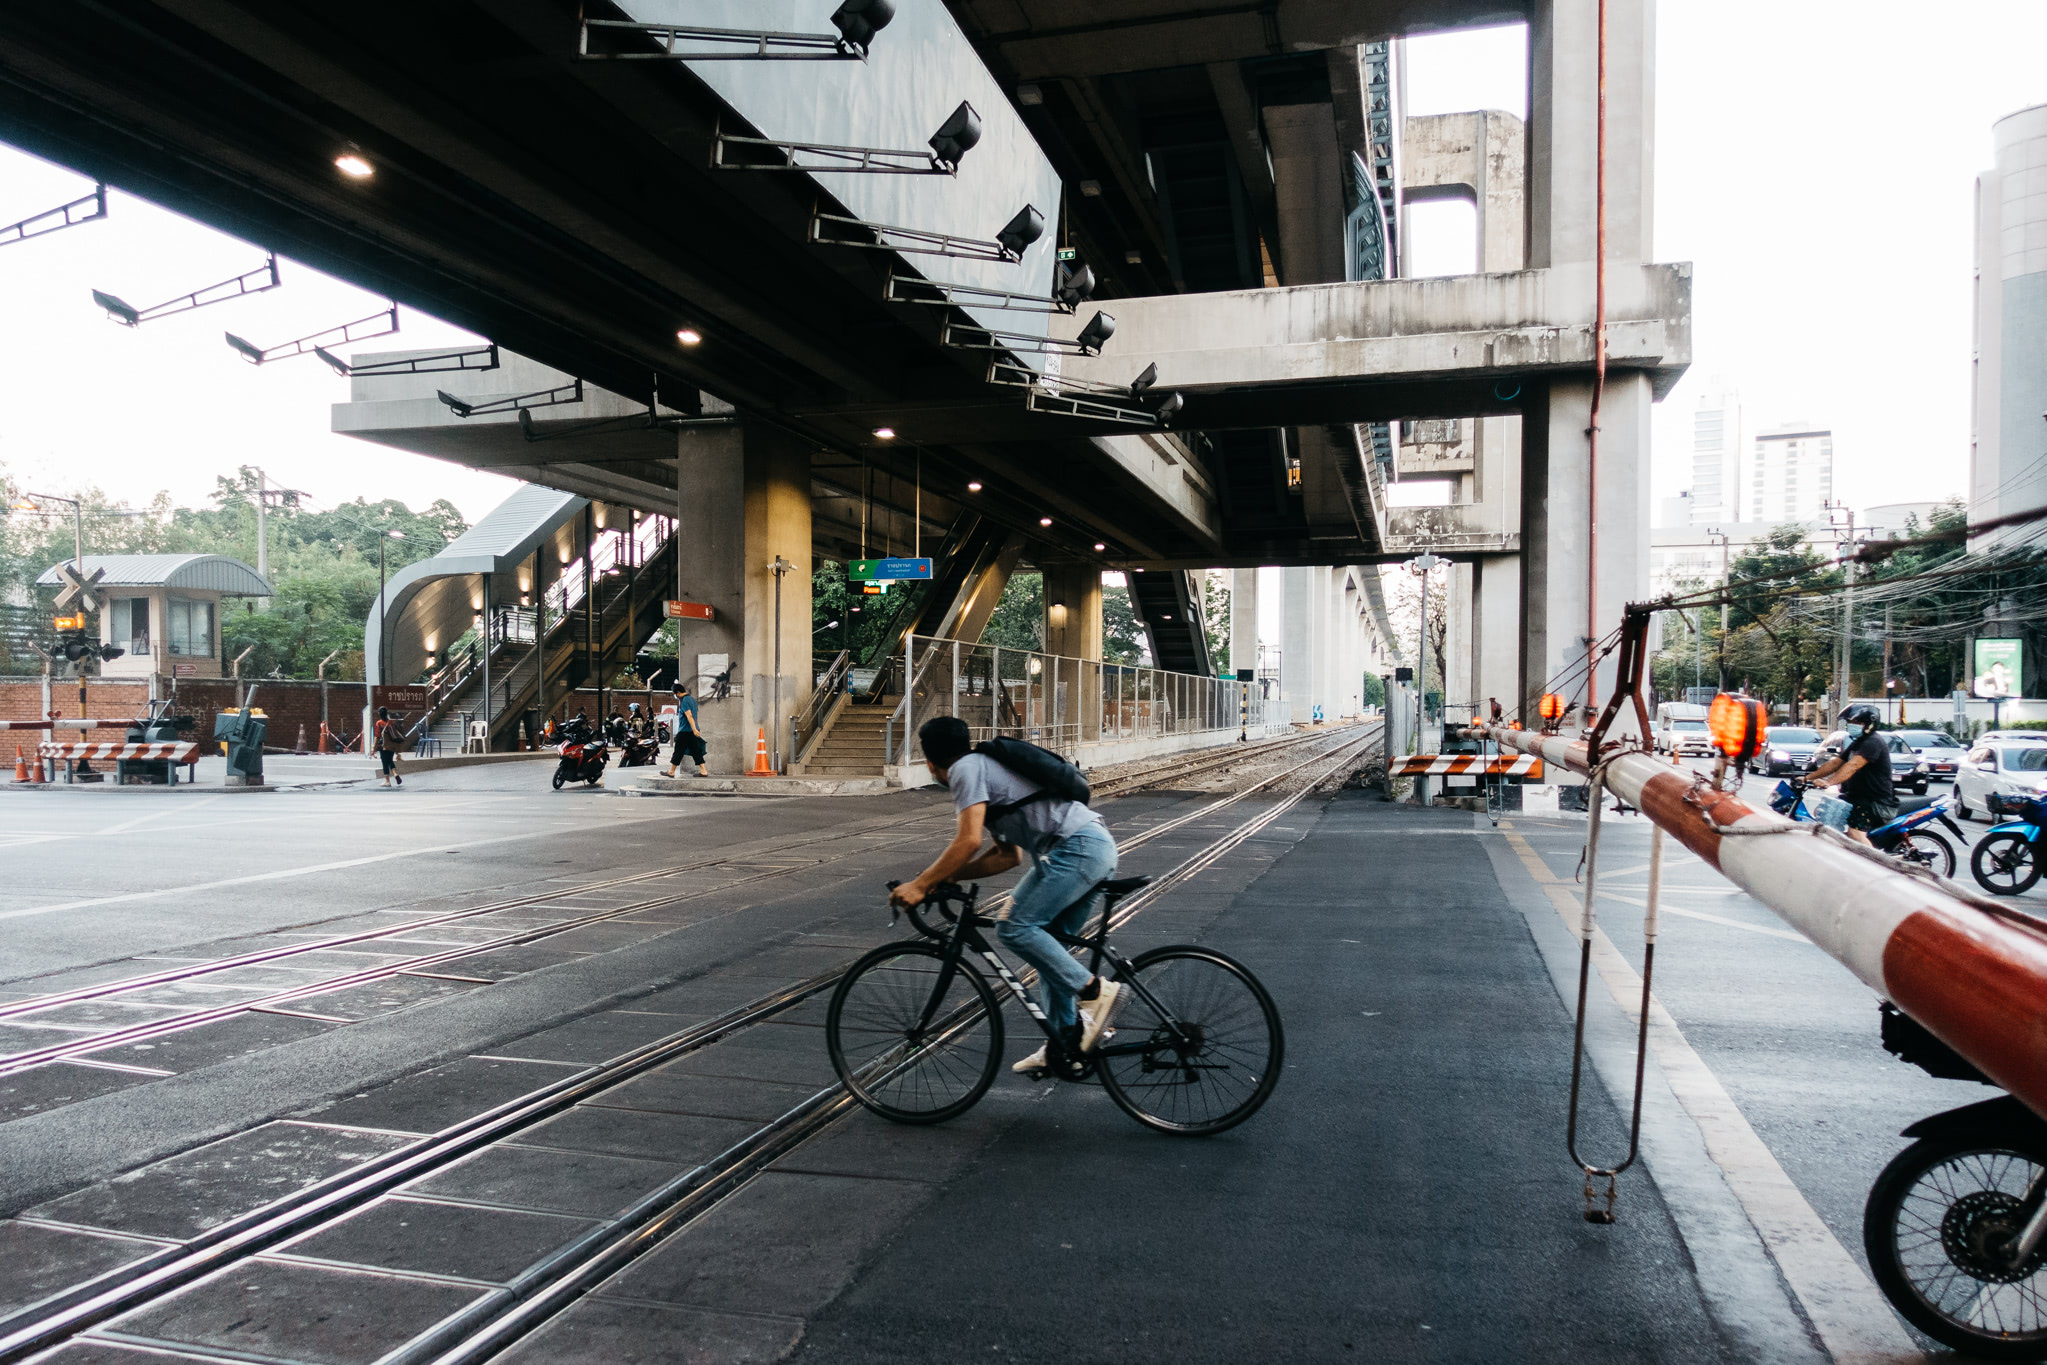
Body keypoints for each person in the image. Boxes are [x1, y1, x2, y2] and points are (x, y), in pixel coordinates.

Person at [891, 716, 1123, 1076]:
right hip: (1086, 847)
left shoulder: (965, 770)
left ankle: (1094, 991)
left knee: (1014, 927)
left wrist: (922, 882)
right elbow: (1006, 856)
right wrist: (943, 876)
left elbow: (968, 841)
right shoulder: (983, 768)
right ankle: (1065, 1042)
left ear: (930, 763)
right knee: (1050, 953)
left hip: (1076, 850)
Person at [1807, 703, 1893, 845]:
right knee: (1827, 820)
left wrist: (1829, 782)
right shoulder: (1858, 742)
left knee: (1855, 834)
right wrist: (1807, 777)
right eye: (1850, 722)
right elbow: (1836, 763)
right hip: (1855, 797)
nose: (1851, 725)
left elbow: (1852, 766)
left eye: (1856, 722)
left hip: (1872, 800)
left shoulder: (1873, 742)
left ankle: (1872, 865)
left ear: (1869, 723)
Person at [663, 679, 708, 777]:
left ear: (678, 693)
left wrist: (694, 729)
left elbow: (689, 716)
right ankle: (703, 771)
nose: (675, 696)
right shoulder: (692, 700)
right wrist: (695, 728)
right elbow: (694, 715)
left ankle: (671, 771)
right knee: (696, 751)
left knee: (678, 751)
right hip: (692, 730)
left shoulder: (684, 701)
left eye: (675, 694)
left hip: (685, 731)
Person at [373, 707, 405, 788]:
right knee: (390, 760)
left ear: (380, 714)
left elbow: (377, 736)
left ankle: (387, 781)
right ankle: (395, 773)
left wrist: (373, 748)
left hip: (383, 746)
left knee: (384, 762)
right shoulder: (391, 722)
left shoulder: (379, 723)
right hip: (392, 745)